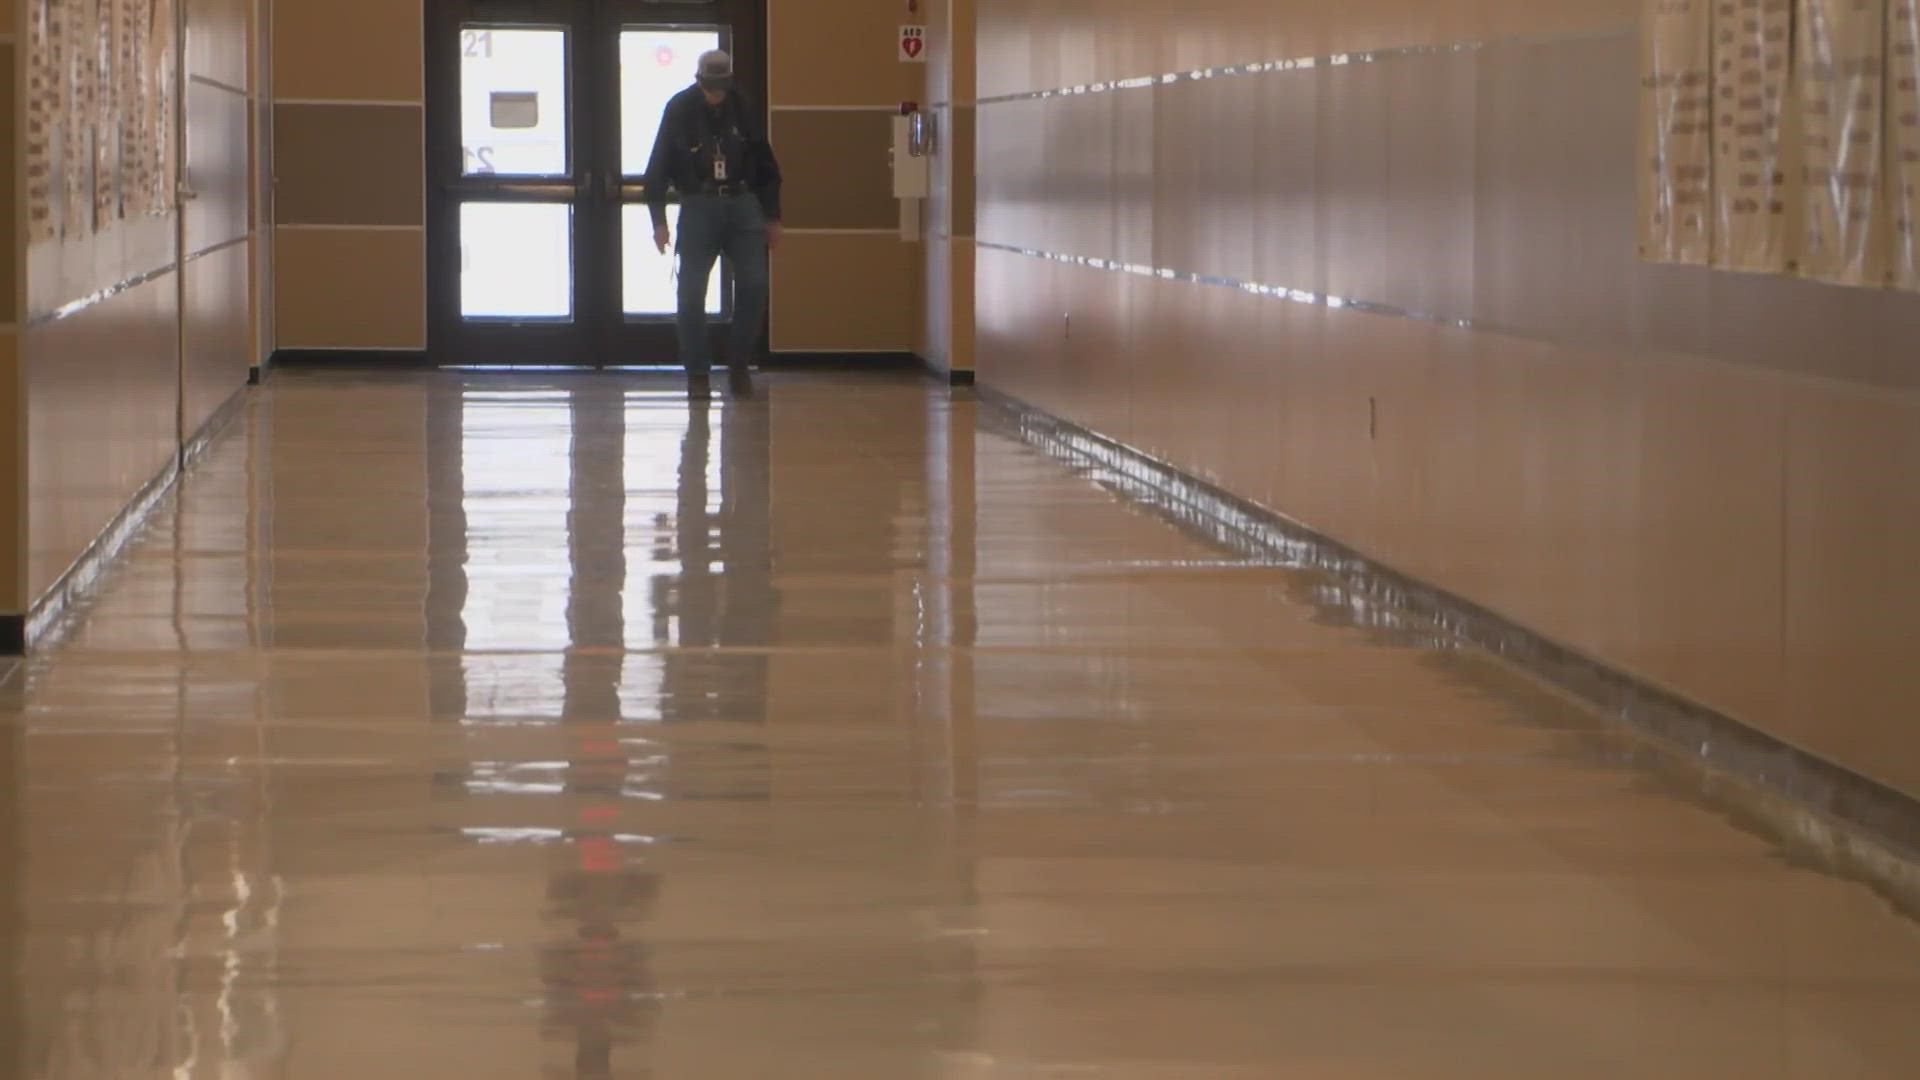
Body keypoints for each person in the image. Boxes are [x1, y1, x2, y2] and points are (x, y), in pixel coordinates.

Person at [643, 50, 783, 398]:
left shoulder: (743, 108)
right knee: (691, 293)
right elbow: (658, 166)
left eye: (721, 87)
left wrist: (773, 216)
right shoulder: (680, 108)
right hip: (698, 205)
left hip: (743, 203)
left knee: (753, 285)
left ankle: (738, 364)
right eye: (710, 87)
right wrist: (658, 221)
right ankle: (697, 373)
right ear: (699, 81)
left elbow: (767, 166)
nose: (715, 94)